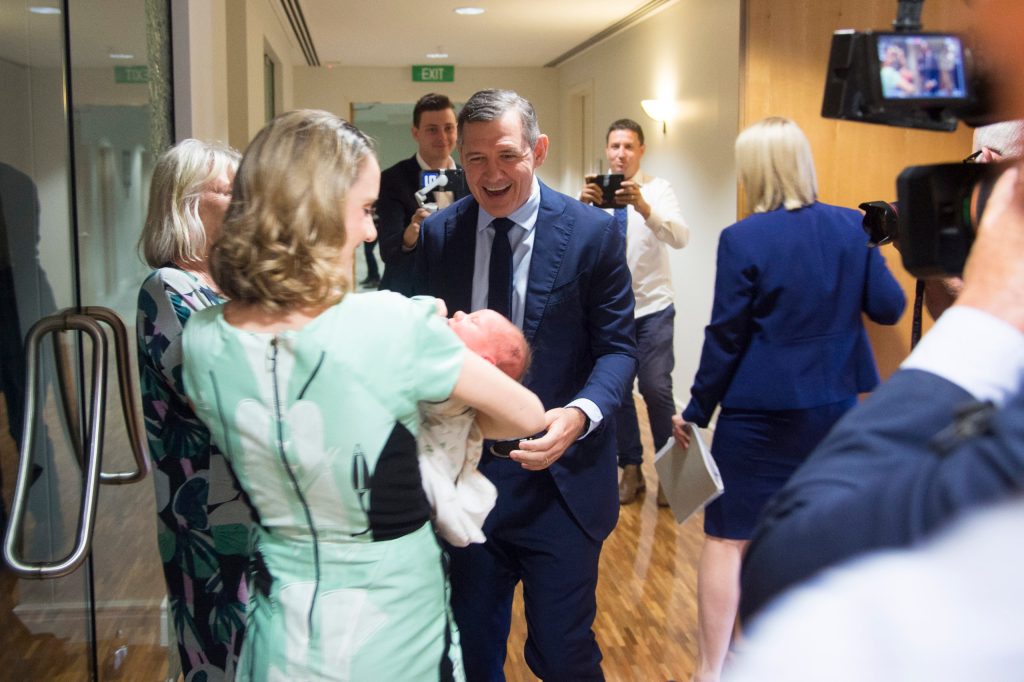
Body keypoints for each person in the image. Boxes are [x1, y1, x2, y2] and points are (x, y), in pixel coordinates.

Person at [181, 109, 545, 681]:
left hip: (283, 629)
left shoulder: (202, 340)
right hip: (392, 626)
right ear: (319, 213)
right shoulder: (390, 325)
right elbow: (527, 413)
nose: (372, 231)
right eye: (366, 210)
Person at [671, 116, 906, 682]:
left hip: (757, 418)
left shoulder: (743, 237)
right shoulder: (853, 229)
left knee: (729, 539)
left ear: (755, 171)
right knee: (816, 534)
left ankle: (715, 669)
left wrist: (697, 411)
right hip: (833, 412)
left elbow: (726, 336)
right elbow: (890, 307)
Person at [415, 89, 638, 681]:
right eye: (475, 159)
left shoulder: (592, 234)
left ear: (537, 151)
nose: (490, 175)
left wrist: (580, 414)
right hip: (465, 480)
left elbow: (617, 349)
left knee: (563, 654)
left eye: (507, 156)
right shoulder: (441, 234)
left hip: (561, 485)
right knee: (471, 651)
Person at [135, 139, 251, 680]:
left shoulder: (228, 285)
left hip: (252, 510)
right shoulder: (168, 288)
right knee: (220, 653)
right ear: (187, 202)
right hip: (207, 516)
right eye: (231, 191)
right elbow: (218, 389)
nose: (245, 202)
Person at [579, 118, 689, 505]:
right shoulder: (595, 197)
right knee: (619, 391)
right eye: (614, 147)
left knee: (657, 390)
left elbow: (680, 236)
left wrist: (644, 208)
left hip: (654, 307)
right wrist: (580, 209)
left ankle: (670, 472)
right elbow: (576, 249)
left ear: (641, 150)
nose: (620, 154)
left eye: (628, 146)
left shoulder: (659, 191)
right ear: (607, 151)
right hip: (612, 310)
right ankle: (630, 469)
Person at [419, 308, 530, 547]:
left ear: (482, 362)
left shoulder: (450, 386)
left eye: (473, 320)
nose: (459, 313)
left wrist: (430, 308)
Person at [377, 93, 466, 296]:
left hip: (457, 292)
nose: (442, 137)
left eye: (449, 128)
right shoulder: (392, 180)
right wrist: (410, 236)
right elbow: (388, 252)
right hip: (406, 294)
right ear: (416, 133)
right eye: (432, 130)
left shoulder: (472, 178)